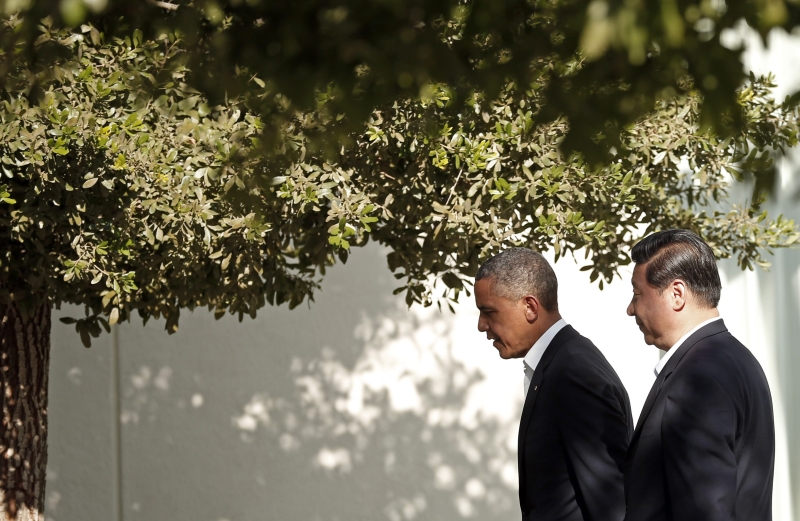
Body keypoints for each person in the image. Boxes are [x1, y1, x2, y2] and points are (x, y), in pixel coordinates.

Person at [624, 229, 775, 521]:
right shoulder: (740, 361)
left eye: (637, 294)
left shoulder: (697, 378)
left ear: (676, 294)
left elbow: (707, 509)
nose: (630, 309)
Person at [474, 248, 632, 521]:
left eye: (489, 312)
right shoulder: (561, 363)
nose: (481, 325)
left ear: (530, 307)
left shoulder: (573, 375)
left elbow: (611, 504)